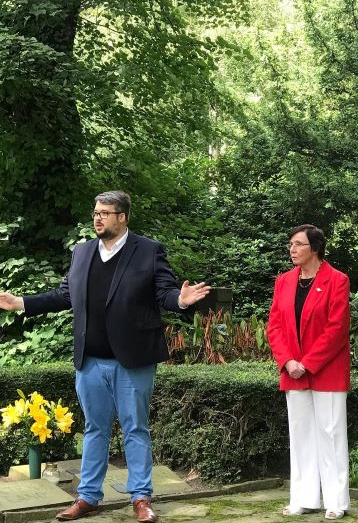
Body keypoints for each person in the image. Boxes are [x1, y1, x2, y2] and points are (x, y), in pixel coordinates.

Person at [0, 191, 210, 523]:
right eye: (95, 212)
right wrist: (21, 302)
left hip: (133, 360)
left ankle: (141, 497)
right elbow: (65, 294)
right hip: (91, 362)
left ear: (122, 216)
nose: (98, 218)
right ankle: (88, 498)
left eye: (105, 213)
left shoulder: (148, 251)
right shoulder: (82, 252)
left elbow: (164, 293)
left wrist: (181, 300)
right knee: (95, 429)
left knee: (135, 428)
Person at [267, 224, 350, 520]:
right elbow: (274, 326)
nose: (292, 249)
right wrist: (288, 361)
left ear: (314, 248)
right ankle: (303, 498)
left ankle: (336, 501)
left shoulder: (337, 280)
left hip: (326, 369)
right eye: (291, 244)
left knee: (330, 433)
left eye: (299, 244)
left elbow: (337, 329)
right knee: (300, 434)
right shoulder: (284, 282)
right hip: (292, 370)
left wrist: (309, 363)